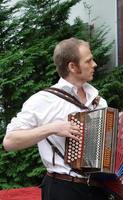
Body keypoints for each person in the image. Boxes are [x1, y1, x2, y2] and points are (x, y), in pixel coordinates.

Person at [3, 38, 109, 200]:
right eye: (88, 61)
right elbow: (9, 142)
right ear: (72, 67)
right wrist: (52, 128)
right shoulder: (43, 100)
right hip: (63, 189)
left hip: (99, 189)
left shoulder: (99, 101)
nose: (94, 64)